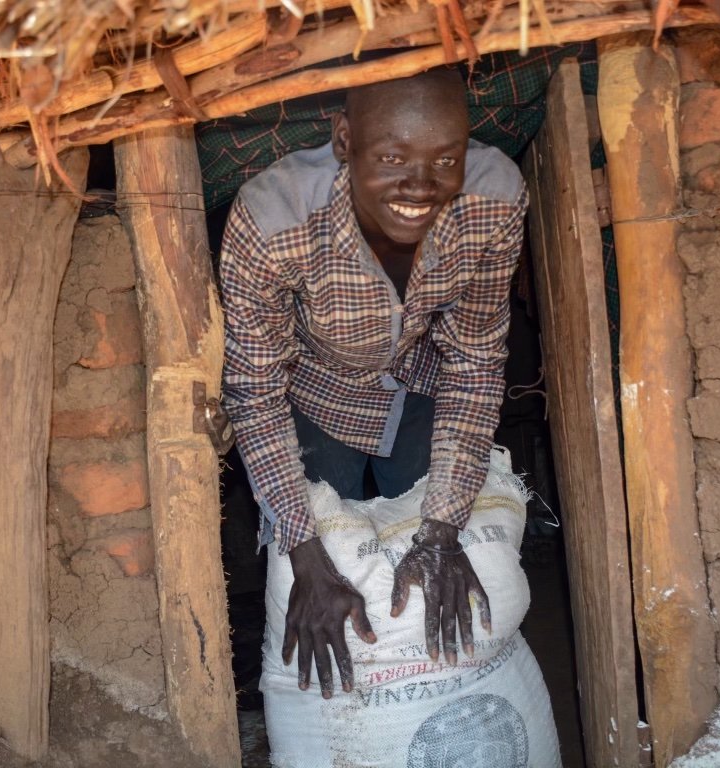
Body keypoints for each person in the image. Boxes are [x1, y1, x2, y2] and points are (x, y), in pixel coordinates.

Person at [220, 67, 528, 700]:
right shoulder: (273, 219)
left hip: (418, 383)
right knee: (322, 569)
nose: (420, 184)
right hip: (314, 395)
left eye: (446, 159)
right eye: (392, 158)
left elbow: (474, 361)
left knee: (442, 560)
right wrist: (304, 552)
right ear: (344, 140)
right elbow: (254, 389)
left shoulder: (494, 199)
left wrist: (441, 532)